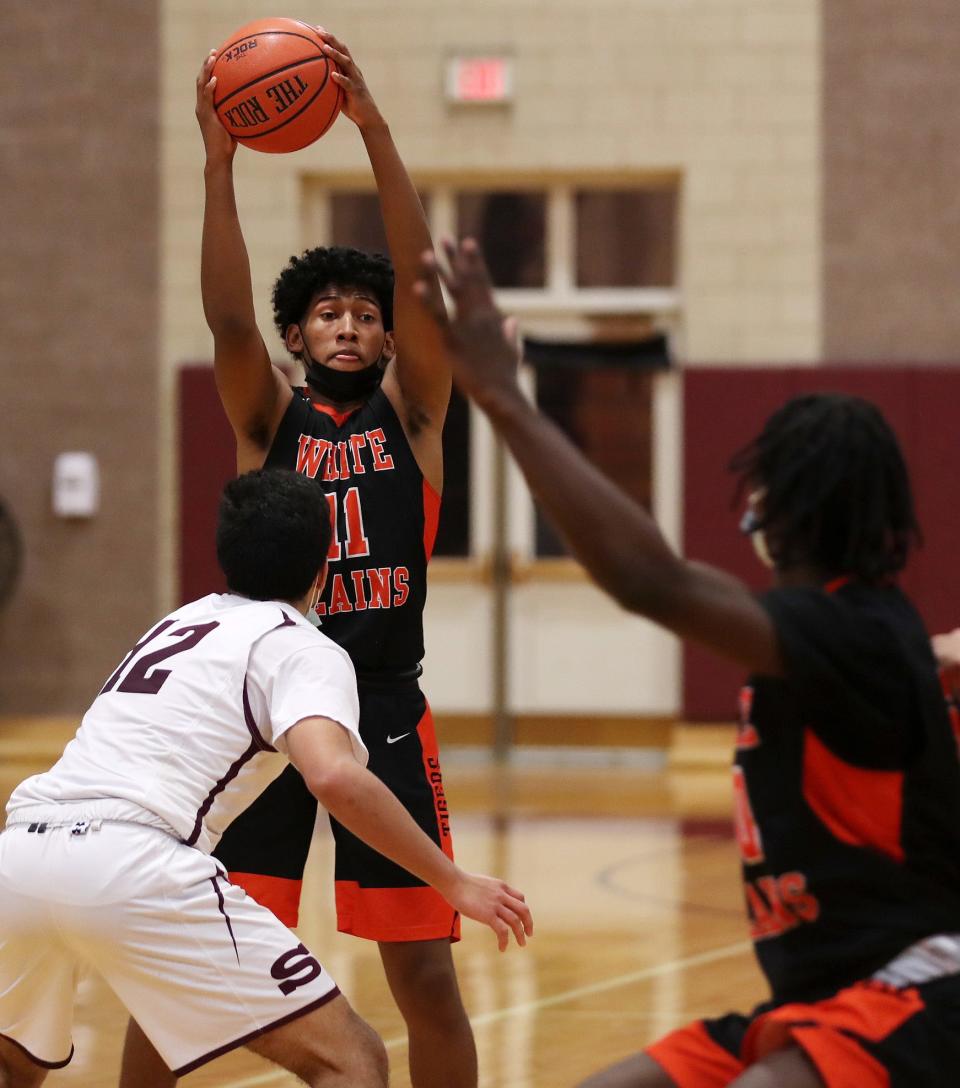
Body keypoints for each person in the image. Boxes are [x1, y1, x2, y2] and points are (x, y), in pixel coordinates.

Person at [413, 238, 960, 1088]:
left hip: (918, 987)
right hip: (814, 995)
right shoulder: (852, 637)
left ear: (782, 503)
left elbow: (650, 581)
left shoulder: (851, 632)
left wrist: (504, 398)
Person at [121, 30, 473, 1088]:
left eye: (368, 315)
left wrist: (373, 129)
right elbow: (226, 314)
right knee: (188, 973)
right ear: (298, 334)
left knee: (422, 976)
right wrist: (218, 164)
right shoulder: (267, 416)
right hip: (262, 714)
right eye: (331, 313)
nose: (354, 325)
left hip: (383, 714)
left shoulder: (415, 418)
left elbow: (423, 284)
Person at [0, 469, 531, 1088]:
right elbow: (334, 777)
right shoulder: (301, 646)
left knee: (15, 1062)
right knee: (351, 1060)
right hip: (131, 860)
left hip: (20, 855)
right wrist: (453, 881)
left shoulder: (177, 623)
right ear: (322, 570)